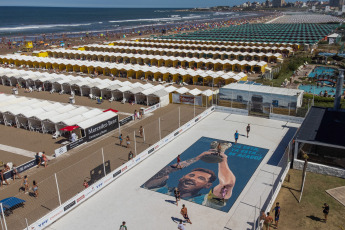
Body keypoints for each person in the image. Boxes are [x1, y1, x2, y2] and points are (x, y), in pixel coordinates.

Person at [143, 141, 236, 210]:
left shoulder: (207, 201)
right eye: (191, 175)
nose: (193, 179)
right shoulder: (162, 189)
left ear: (207, 185)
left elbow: (228, 184)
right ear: (181, 178)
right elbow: (163, 172)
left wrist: (222, 159)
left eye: (200, 178)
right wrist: (197, 158)